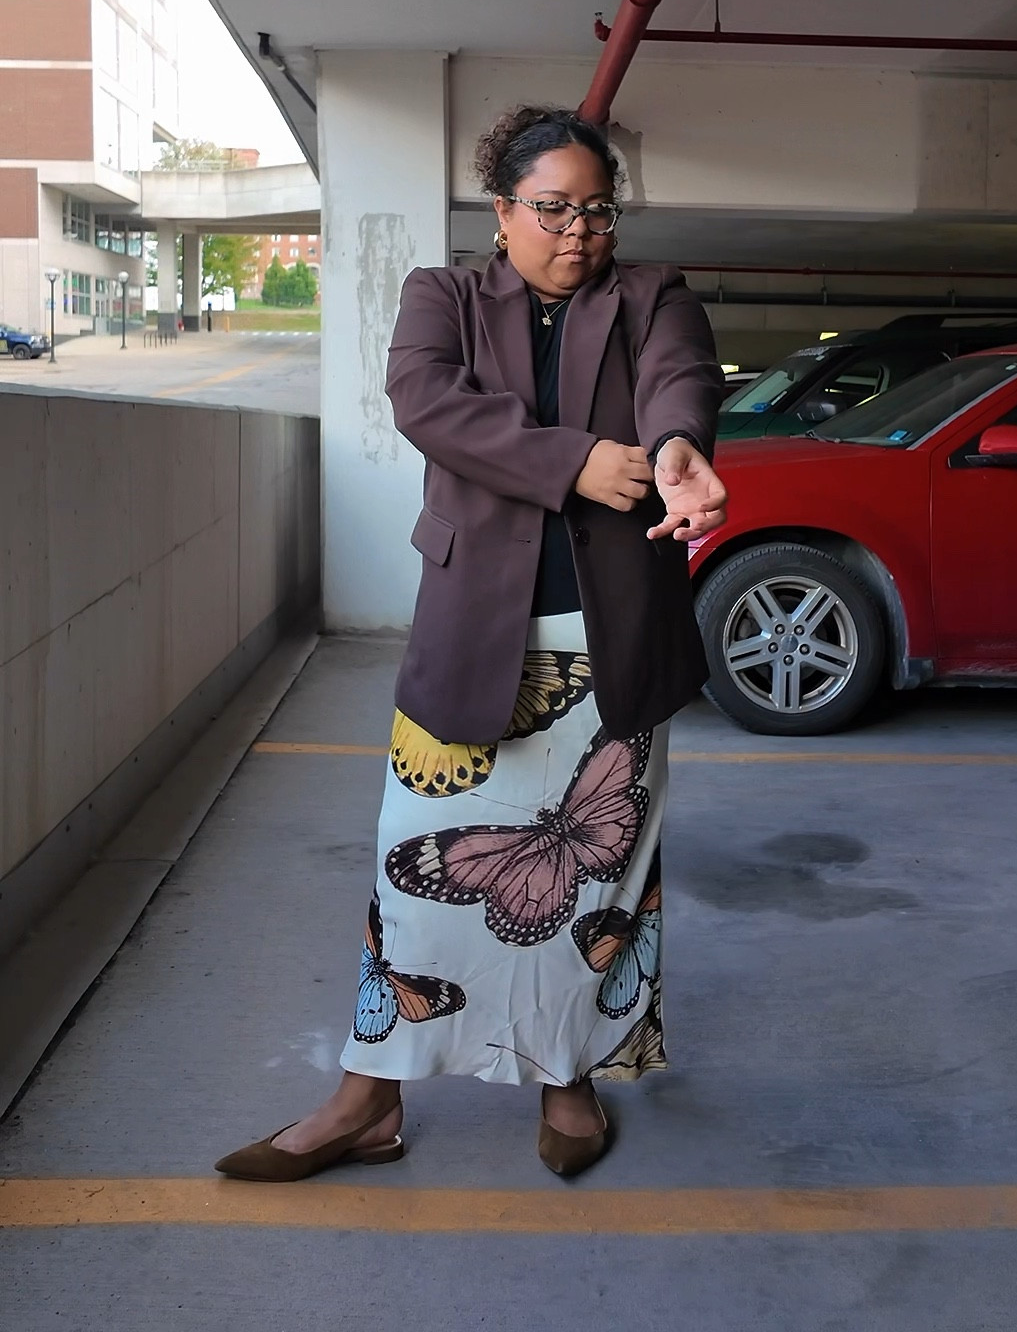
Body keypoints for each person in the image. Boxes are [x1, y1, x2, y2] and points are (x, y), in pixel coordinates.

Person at [216, 104, 726, 1183]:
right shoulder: (440, 296)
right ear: (502, 212)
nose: (578, 231)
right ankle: (369, 1098)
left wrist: (676, 446)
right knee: (417, 874)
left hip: (611, 642)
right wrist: (580, 462)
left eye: (596, 209)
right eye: (552, 209)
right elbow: (425, 402)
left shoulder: (652, 297)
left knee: (599, 881)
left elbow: (682, 381)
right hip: (473, 637)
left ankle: (568, 1077)